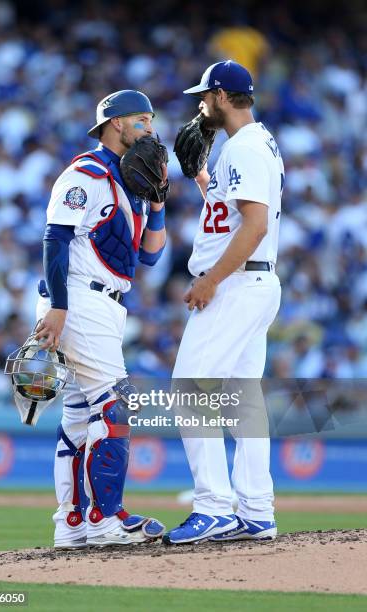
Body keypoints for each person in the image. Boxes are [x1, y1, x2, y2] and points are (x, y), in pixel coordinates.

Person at [34, 90, 168, 548]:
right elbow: (55, 238)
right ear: (114, 123)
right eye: (140, 119)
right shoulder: (86, 173)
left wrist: (157, 202)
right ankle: (106, 519)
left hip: (106, 304)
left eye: (151, 119)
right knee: (117, 404)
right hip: (78, 300)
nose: (149, 127)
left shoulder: (131, 180)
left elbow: (150, 256)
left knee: (77, 415)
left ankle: (71, 524)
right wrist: (58, 303)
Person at [164, 61, 284, 544]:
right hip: (252, 284)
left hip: (236, 284)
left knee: (188, 388)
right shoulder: (249, 145)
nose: (199, 105)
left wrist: (211, 280)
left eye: (203, 96)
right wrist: (204, 182)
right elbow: (235, 215)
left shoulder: (248, 147)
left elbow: (254, 227)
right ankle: (257, 510)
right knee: (241, 401)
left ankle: (214, 507)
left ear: (220, 94)